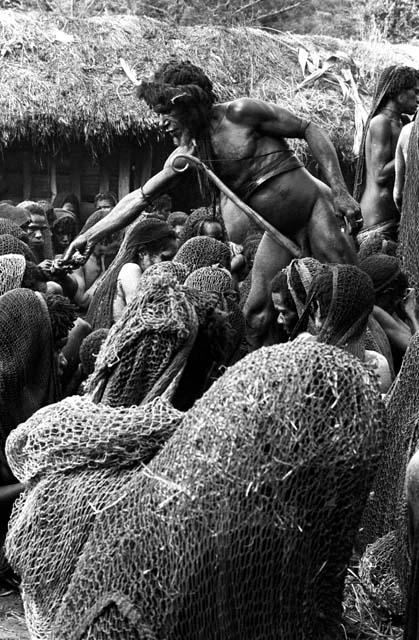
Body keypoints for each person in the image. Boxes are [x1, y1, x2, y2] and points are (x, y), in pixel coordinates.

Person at [62, 60, 360, 349]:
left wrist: (341, 191)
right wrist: (89, 235)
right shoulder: (186, 156)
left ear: (187, 104)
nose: (161, 122)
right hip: (277, 233)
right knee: (255, 317)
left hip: (314, 210)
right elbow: (139, 198)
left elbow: (309, 129)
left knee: (341, 299)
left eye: (166, 112)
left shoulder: (242, 113)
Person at [354, 66, 419, 245]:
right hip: (377, 221)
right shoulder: (380, 123)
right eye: (415, 92)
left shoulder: (404, 123)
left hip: (394, 218)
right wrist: (408, 152)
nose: (418, 99)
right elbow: (380, 174)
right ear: (398, 92)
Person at [86, 217, 178, 329]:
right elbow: (143, 317)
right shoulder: (131, 270)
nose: (170, 265)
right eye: (165, 258)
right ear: (143, 253)